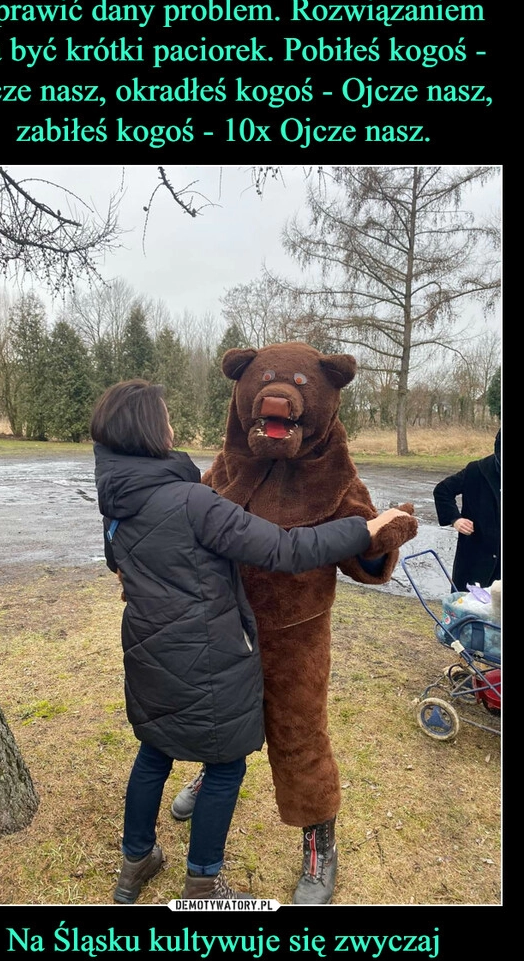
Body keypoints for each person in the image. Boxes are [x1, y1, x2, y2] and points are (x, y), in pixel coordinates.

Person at [93, 379, 416, 905]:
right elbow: (285, 549)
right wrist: (367, 528)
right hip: (216, 648)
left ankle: (139, 865)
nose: (174, 426)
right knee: (224, 758)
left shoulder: (119, 497)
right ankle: (202, 881)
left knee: (183, 749)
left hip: (180, 649)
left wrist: (373, 542)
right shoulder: (200, 493)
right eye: (166, 417)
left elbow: (121, 564)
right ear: (152, 431)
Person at [433, 429, 501, 590]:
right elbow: (442, 490)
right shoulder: (476, 471)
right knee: (468, 610)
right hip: (475, 560)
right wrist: (455, 519)